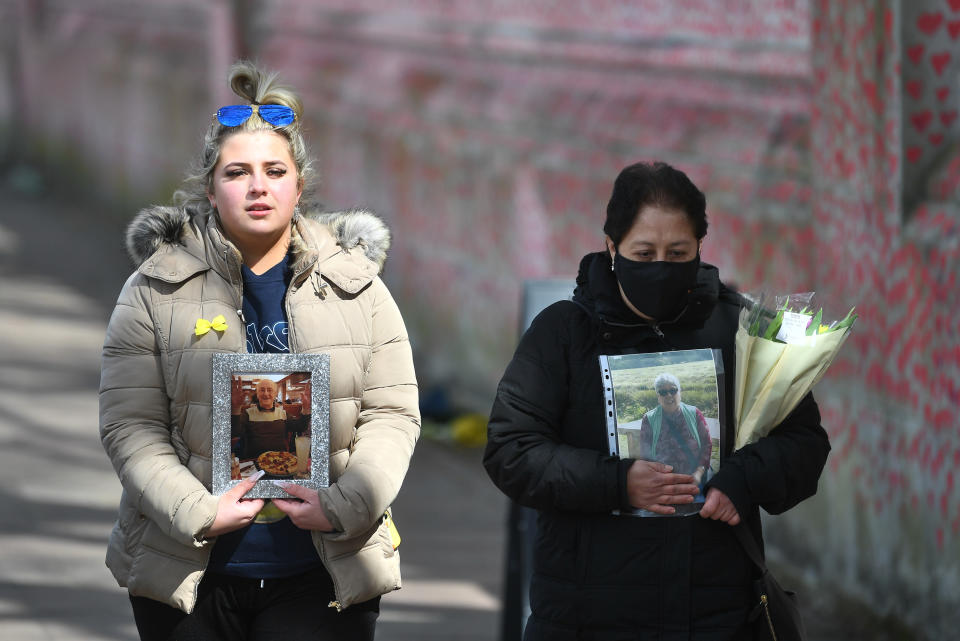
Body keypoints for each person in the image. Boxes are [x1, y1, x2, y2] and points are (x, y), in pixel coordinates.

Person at [99, 61, 420, 641]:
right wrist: (199, 513)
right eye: (237, 172)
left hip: (322, 569)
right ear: (210, 187)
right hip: (189, 572)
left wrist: (343, 505)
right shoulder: (155, 287)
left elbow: (393, 415)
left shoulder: (358, 287)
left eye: (275, 170)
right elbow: (130, 426)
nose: (257, 186)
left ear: (299, 184)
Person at [483, 161, 830, 640]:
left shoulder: (742, 329)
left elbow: (805, 442)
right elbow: (511, 450)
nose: (661, 267)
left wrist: (744, 480)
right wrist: (617, 483)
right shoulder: (562, 334)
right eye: (643, 254)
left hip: (716, 615)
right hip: (587, 617)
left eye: (677, 252)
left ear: (699, 248)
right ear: (612, 248)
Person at [627, 373, 712, 498]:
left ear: (679, 392)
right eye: (663, 392)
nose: (669, 395)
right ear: (658, 396)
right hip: (664, 483)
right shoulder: (649, 419)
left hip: (694, 478)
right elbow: (646, 454)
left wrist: (699, 473)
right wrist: (658, 479)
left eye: (673, 390)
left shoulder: (694, 413)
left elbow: (707, 444)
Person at [232, 377, 310, 459]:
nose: (265, 394)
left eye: (269, 390)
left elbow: (301, 427)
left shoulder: (283, 413)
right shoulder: (248, 413)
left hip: (280, 460)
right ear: (257, 394)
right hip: (255, 462)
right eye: (262, 390)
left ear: (275, 394)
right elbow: (235, 432)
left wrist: (306, 408)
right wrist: (235, 408)